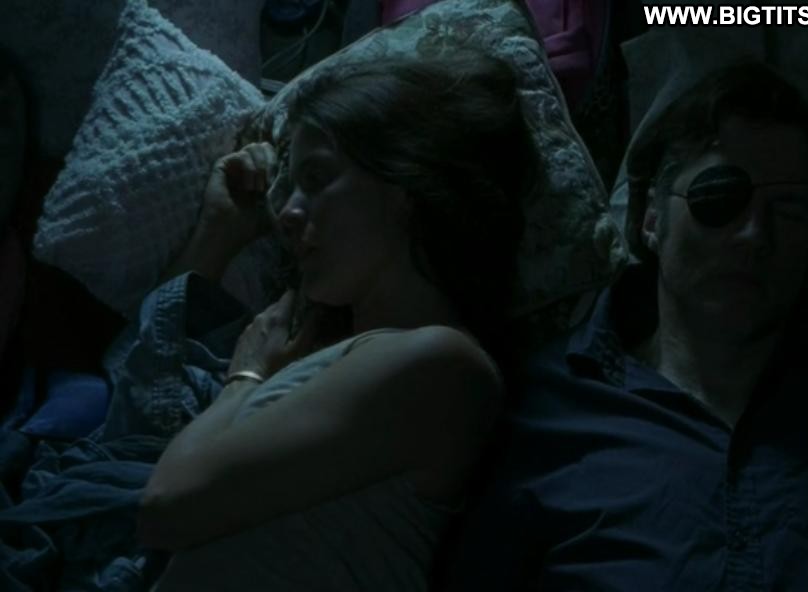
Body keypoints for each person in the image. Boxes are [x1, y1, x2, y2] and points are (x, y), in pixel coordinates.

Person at [445, 63, 808, 591]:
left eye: (789, 210)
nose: (753, 235)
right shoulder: (547, 411)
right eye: (719, 198)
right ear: (652, 218)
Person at [136, 54, 541, 591]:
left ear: (404, 183)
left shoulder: (441, 364)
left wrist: (246, 377)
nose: (287, 212)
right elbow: (137, 412)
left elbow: (165, 507)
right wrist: (221, 232)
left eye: (318, 178)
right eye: (288, 187)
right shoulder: (324, 351)